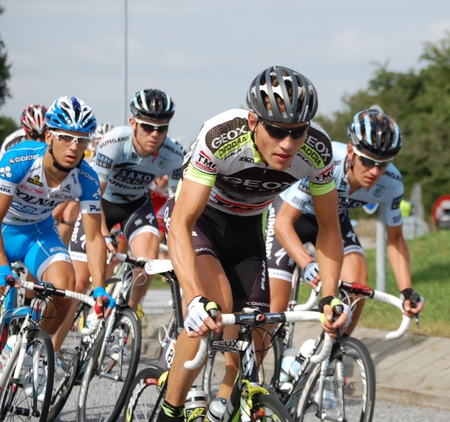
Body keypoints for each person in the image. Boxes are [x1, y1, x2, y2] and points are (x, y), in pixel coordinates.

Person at [158, 65, 348, 422]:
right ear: (252, 121)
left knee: (258, 329)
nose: (288, 144)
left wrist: (329, 294)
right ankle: (171, 409)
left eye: (298, 133)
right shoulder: (222, 135)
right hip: (199, 219)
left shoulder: (318, 151)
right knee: (213, 309)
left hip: (247, 226)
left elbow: (329, 229)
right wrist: (192, 295)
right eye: (277, 132)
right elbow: (182, 222)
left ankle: (223, 409)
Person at [267, 108, 424, 333]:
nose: (374, 171)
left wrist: (407, 291)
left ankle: (334, 353)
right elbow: (283, 224)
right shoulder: (326, 161)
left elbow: (396, 240)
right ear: (351, 151)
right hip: (294, 216)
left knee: (357, 282)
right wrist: (307, 263)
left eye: (383, 164)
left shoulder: (392, 183)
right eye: (368, 162)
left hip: (333, 218)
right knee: (276, 307)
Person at [52, 89, 183, 351]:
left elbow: (177, 205)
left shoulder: (173, 154)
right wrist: (103, 234)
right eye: (147, 127)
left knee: (148, 263)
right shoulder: (114, 143)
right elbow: (93, 196)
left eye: (161, 128)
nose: (155, 135)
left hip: (136, 205)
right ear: (134, 123)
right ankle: (50, 353)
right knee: (78, 285)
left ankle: (124, 317)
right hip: (102, 203)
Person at [0, 96, 114, 340]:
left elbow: (94, 238)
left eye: (82, 139)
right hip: (5, 229)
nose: (74, 146)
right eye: (66, 137)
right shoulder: (20, 159)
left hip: (38, 233)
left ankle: (28, 347)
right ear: (49, 137)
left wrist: (100, 287)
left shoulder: (88, 180)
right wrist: (1, 264)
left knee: (64, 290)